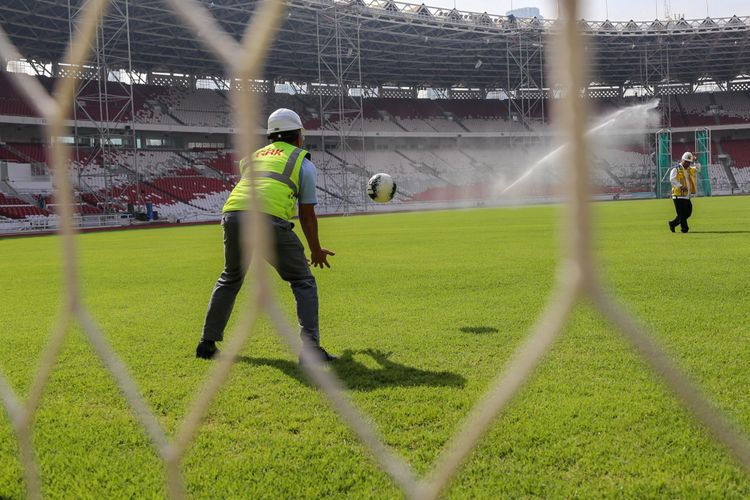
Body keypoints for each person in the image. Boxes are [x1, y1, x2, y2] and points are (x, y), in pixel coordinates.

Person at [196, 108, 336, 364]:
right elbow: (306, 215)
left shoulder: (252, 158)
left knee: (230, 277)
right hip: (268, 219)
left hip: (233, 214)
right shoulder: (301, 161)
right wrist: (315, 250)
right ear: (298, 136)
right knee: (303, 280)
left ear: (271, 136)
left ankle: (207, 343)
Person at [668, 151, 699, 233]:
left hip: (686, 195)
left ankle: (673, 224)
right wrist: (680, 186)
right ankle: (684, 229)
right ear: (682, 160)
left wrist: (696, 161)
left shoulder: (689, 169)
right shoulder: (676, 169)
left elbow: (698, 169)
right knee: (682, 214)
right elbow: (672, 179)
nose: (688, 164)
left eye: (689, 162)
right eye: (686, 162)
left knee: (688, 213)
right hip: (678, 195)